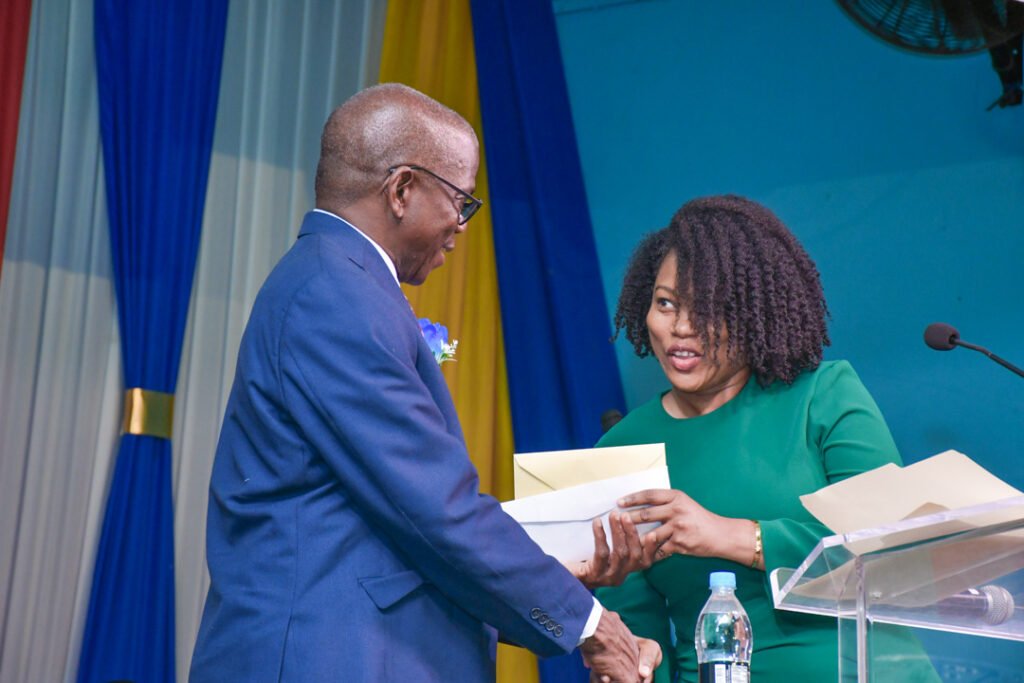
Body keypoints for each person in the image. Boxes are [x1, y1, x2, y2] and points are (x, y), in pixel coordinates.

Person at [189, 83, 660, 682]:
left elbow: (388, 523)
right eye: (460, 201)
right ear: (402, 190)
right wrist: (591, 625)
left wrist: (555, 567)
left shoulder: (336, 281)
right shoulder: (335, 297)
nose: (461, 226)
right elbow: (436, 511)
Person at [594, 195, 940, 682]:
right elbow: (635, 632)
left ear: (756, 312)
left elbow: (890, 547)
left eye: (709, 307)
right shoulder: (620, 450)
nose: (682, 327)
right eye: (666, 303)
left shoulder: (824, 395)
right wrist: (634, 661)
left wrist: (734, 536)